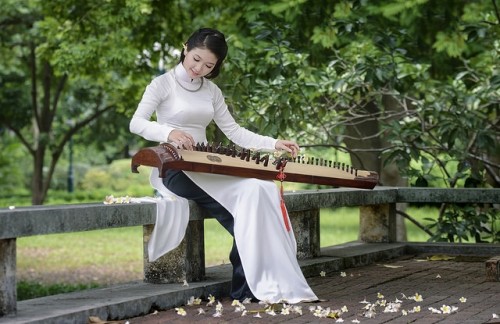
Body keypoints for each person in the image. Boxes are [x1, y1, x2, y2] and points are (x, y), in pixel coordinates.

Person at [130, 28, 318, 304]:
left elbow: (235, 132)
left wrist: (274, 142)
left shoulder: (211, 91)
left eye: (209, 65)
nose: (199, 69)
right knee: (248, 205)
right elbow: (137, 122)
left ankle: (251, 287)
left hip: (207, 165)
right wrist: (169, 132)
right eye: (196, 59)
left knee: (261, 189)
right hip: (175, 168)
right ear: (185, 48)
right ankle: (248, 288)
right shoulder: (162, 85)